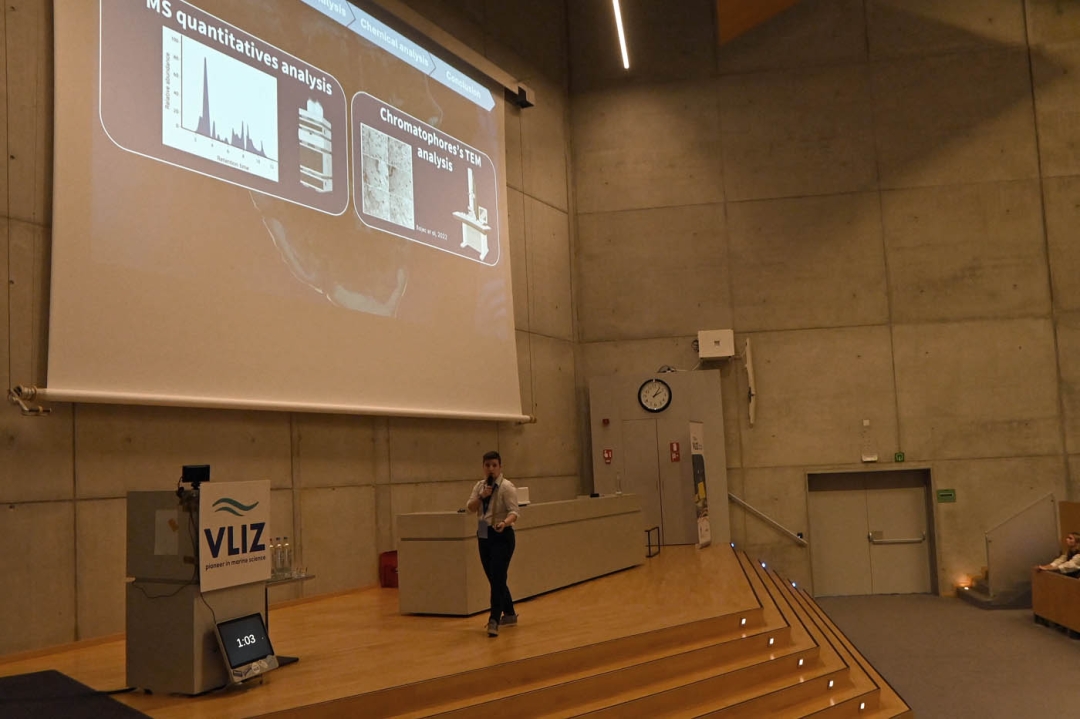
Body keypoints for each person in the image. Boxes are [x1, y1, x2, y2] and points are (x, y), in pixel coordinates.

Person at [466, 450, 519, 637]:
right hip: (483, 531)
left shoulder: (507, 487)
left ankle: (494, 619)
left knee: (497, 577)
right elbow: (470, 508)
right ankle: (510, 613)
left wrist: (505, 522)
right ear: (483, 467)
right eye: (487, 465)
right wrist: (482, 496)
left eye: (494, 465)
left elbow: (514, 512)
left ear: (500, 467)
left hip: (501, 533)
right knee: (494, 577)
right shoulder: (479, 486)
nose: (491, 469)